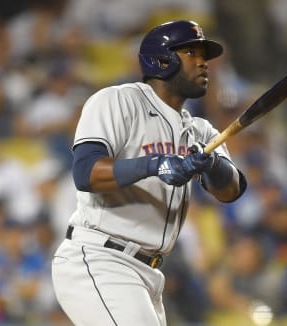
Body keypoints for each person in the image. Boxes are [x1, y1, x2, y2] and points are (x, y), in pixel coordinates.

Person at [51, 20, 247, 326]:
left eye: (204, 55)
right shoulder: (117, 100)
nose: (203, 62)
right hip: (101, 256)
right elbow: (85, 172)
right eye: (191, 53)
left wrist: (210, 164)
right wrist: (157, 164)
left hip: (149, 272)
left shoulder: (200, 130)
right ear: (161, 59)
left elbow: (231, 190)